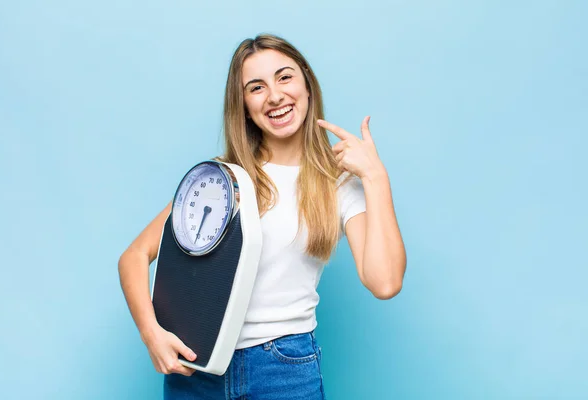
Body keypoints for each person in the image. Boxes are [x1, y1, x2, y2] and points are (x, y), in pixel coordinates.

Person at [118, 33, 407, 399]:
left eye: (284, 77)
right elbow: (133, 256)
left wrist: (375, 177)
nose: (274, 95)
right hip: (197, 369)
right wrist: (151, 334)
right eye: (256, 87)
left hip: (284, 371)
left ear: (306, 83)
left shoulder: (337, 184)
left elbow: (385, 282)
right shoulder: (224, 180)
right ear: (244, 105)